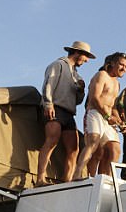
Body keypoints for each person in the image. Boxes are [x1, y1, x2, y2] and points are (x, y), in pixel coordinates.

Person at [37, 41, 95, 185]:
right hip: (55, 107)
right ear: (78, 53)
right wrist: (48, 104)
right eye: (86, 56)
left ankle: (67, 181)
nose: (86, 60)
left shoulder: (76, 76)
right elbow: (48, 85)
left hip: (69, 112)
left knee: (74, 148)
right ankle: (40, 178)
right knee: (51, 141)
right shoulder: (58, 65)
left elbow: (78, 101)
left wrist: (81, 90)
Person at [76, 52, 126, 179]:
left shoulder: (117, 83)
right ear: (112, 63)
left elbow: (113, 106)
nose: (124, 69)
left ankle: (105, 179)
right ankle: (78, 175)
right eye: (121, 65)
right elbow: (94, 98)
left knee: (114, 149)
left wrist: (121, 123)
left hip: (108, 118)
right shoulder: (101, 75)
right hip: (95, 114)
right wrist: (107, 116)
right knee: (94, 144)